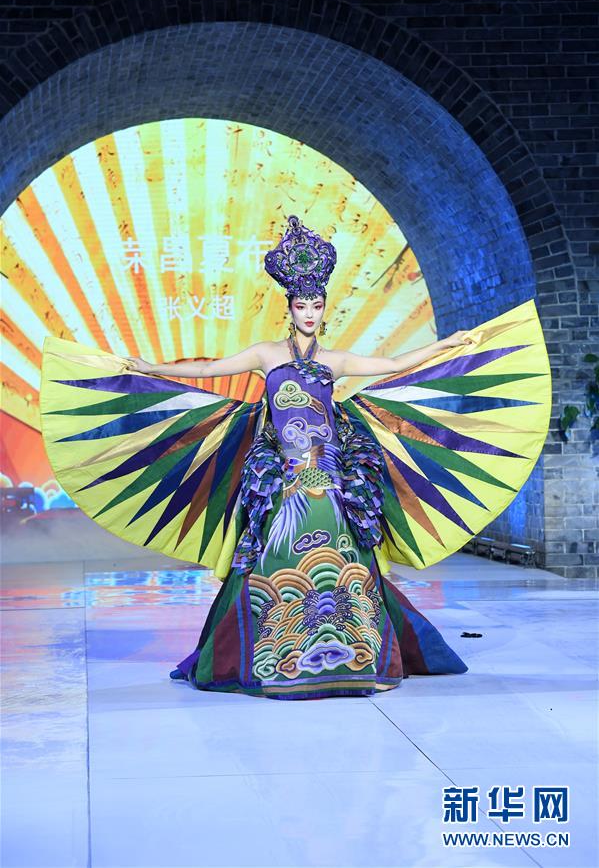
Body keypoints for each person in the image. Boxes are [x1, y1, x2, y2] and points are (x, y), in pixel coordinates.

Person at [40, 215, 551, 701]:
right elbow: (210, 370)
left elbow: (394, 363)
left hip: (332, 479)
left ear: (325, 308)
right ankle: (269, 656)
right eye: (302, 304)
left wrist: (448, 346)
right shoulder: (267, 354)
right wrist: (149, 367)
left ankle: (353, 657)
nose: (309, 312)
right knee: (267, 556)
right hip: (281, 479)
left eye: (317, 304)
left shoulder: (335, 360)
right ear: (290, 308)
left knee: (351, 562)